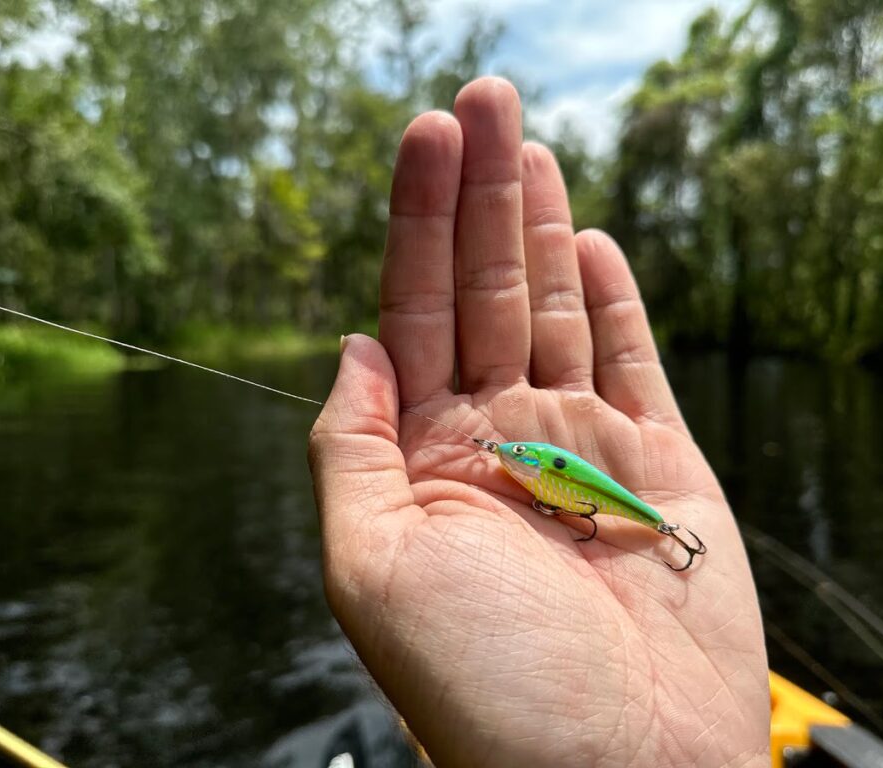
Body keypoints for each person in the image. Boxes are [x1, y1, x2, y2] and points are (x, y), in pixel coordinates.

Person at [308, 77, 771, 768]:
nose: (513, 457)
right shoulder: (520, 461)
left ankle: (661, 528)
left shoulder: (537, 467)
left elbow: (535, 467)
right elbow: (526, 464)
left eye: (522, 455)